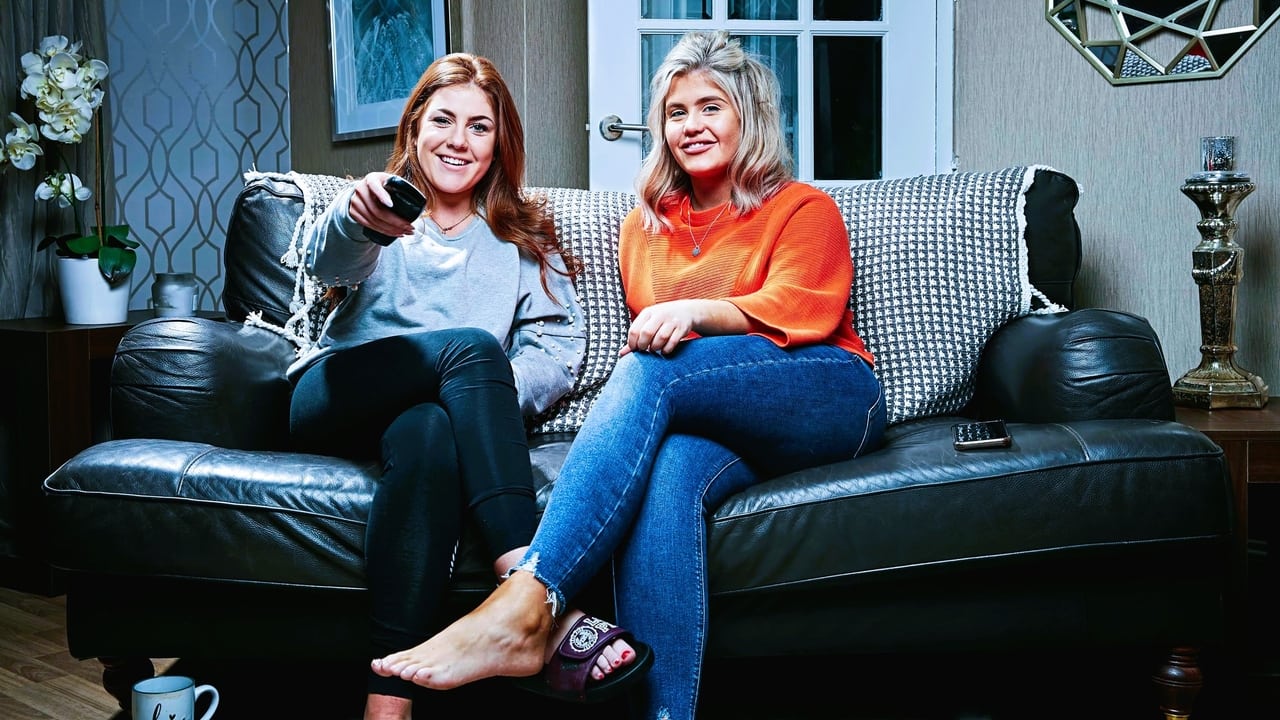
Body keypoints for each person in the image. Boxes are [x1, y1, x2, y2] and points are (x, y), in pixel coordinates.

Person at [369, 30, 886, 720]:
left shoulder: (800, 208)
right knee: (667, 475)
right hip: (720, 424)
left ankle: (529, 599)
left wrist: (696, 315)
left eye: (711, 107)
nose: (691, 125)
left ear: (750, 117)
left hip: (826, 394)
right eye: (676, 112)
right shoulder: (646, 228)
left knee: (650, 374)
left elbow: (802, 309)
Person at [287, 52, 643, 720]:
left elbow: (555, 353)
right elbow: (330, 261)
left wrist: (471, 398)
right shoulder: (375, 207)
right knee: (473, 348)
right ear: (415, 127)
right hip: (336, 396)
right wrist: (358, 218)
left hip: (430, 424)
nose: (458, 140)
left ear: (499, 143)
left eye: (479, 127)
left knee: (429, 432)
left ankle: (387, 700)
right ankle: (528, 593)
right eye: (443, 120)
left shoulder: (521, 236)